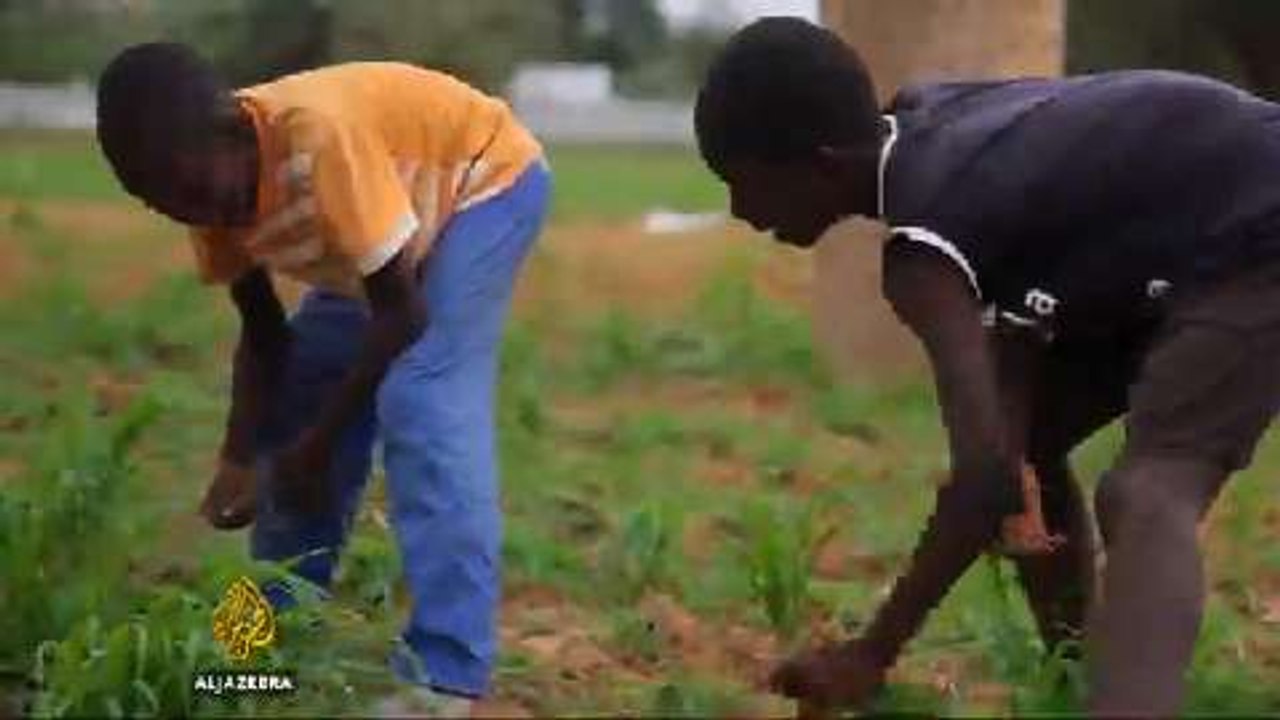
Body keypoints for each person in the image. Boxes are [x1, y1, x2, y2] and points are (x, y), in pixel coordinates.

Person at [694, 17, 1280, 718]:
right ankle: (1075, 675)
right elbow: (1009, 411)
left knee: (1148, 489)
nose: (739, 210)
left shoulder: (922, 252)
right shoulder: (930, 126)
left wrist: (871, 653)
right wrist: (1007, 459)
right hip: (1183, 239)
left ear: (819, 164)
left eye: (744, 183)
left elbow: (983, 479)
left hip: (1253, 232)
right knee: (1030, 447)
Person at [96, 43, 551, 715]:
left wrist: (318, 446)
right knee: (299, 397)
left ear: (230, 133)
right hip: (376, 238)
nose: (180, 208)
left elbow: (401, 314)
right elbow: (264, 336)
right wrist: (241, 456)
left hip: (479, 184)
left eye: (185, 188)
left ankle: (445, 676)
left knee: (424, 397)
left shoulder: (313, 141)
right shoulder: (207, 201)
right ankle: (261, 652)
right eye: (151, 199)